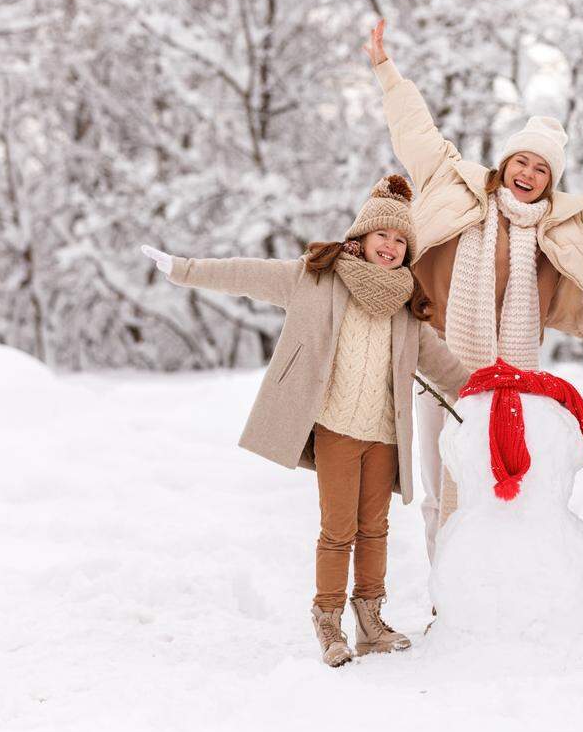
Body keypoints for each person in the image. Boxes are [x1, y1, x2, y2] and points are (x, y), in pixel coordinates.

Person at [140, 176, 468, 668]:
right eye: (384, 236)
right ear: (360, 238)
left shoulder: (405, 306)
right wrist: (185, 270)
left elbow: (441, 364)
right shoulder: (317, 279)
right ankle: (329, 621)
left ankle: (371, 620)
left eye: (401, 242)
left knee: (374, 530)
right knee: (338, 530)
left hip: (382, 434)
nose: (392, 247)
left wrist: (491, 391)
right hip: (336, 426)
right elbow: (248, 275)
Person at [363, 20, 583, 561]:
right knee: (441, 482)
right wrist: (387, 71)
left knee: (499, 486)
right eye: (522, 160)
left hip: (512, 378)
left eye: (542, 168)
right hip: (440, 362)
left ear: (551, 180)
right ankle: (444, 595)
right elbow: (416, 130)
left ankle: (493, 582)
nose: (529, 172)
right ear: (506, 162)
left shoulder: (563, 223)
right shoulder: (454, 183)